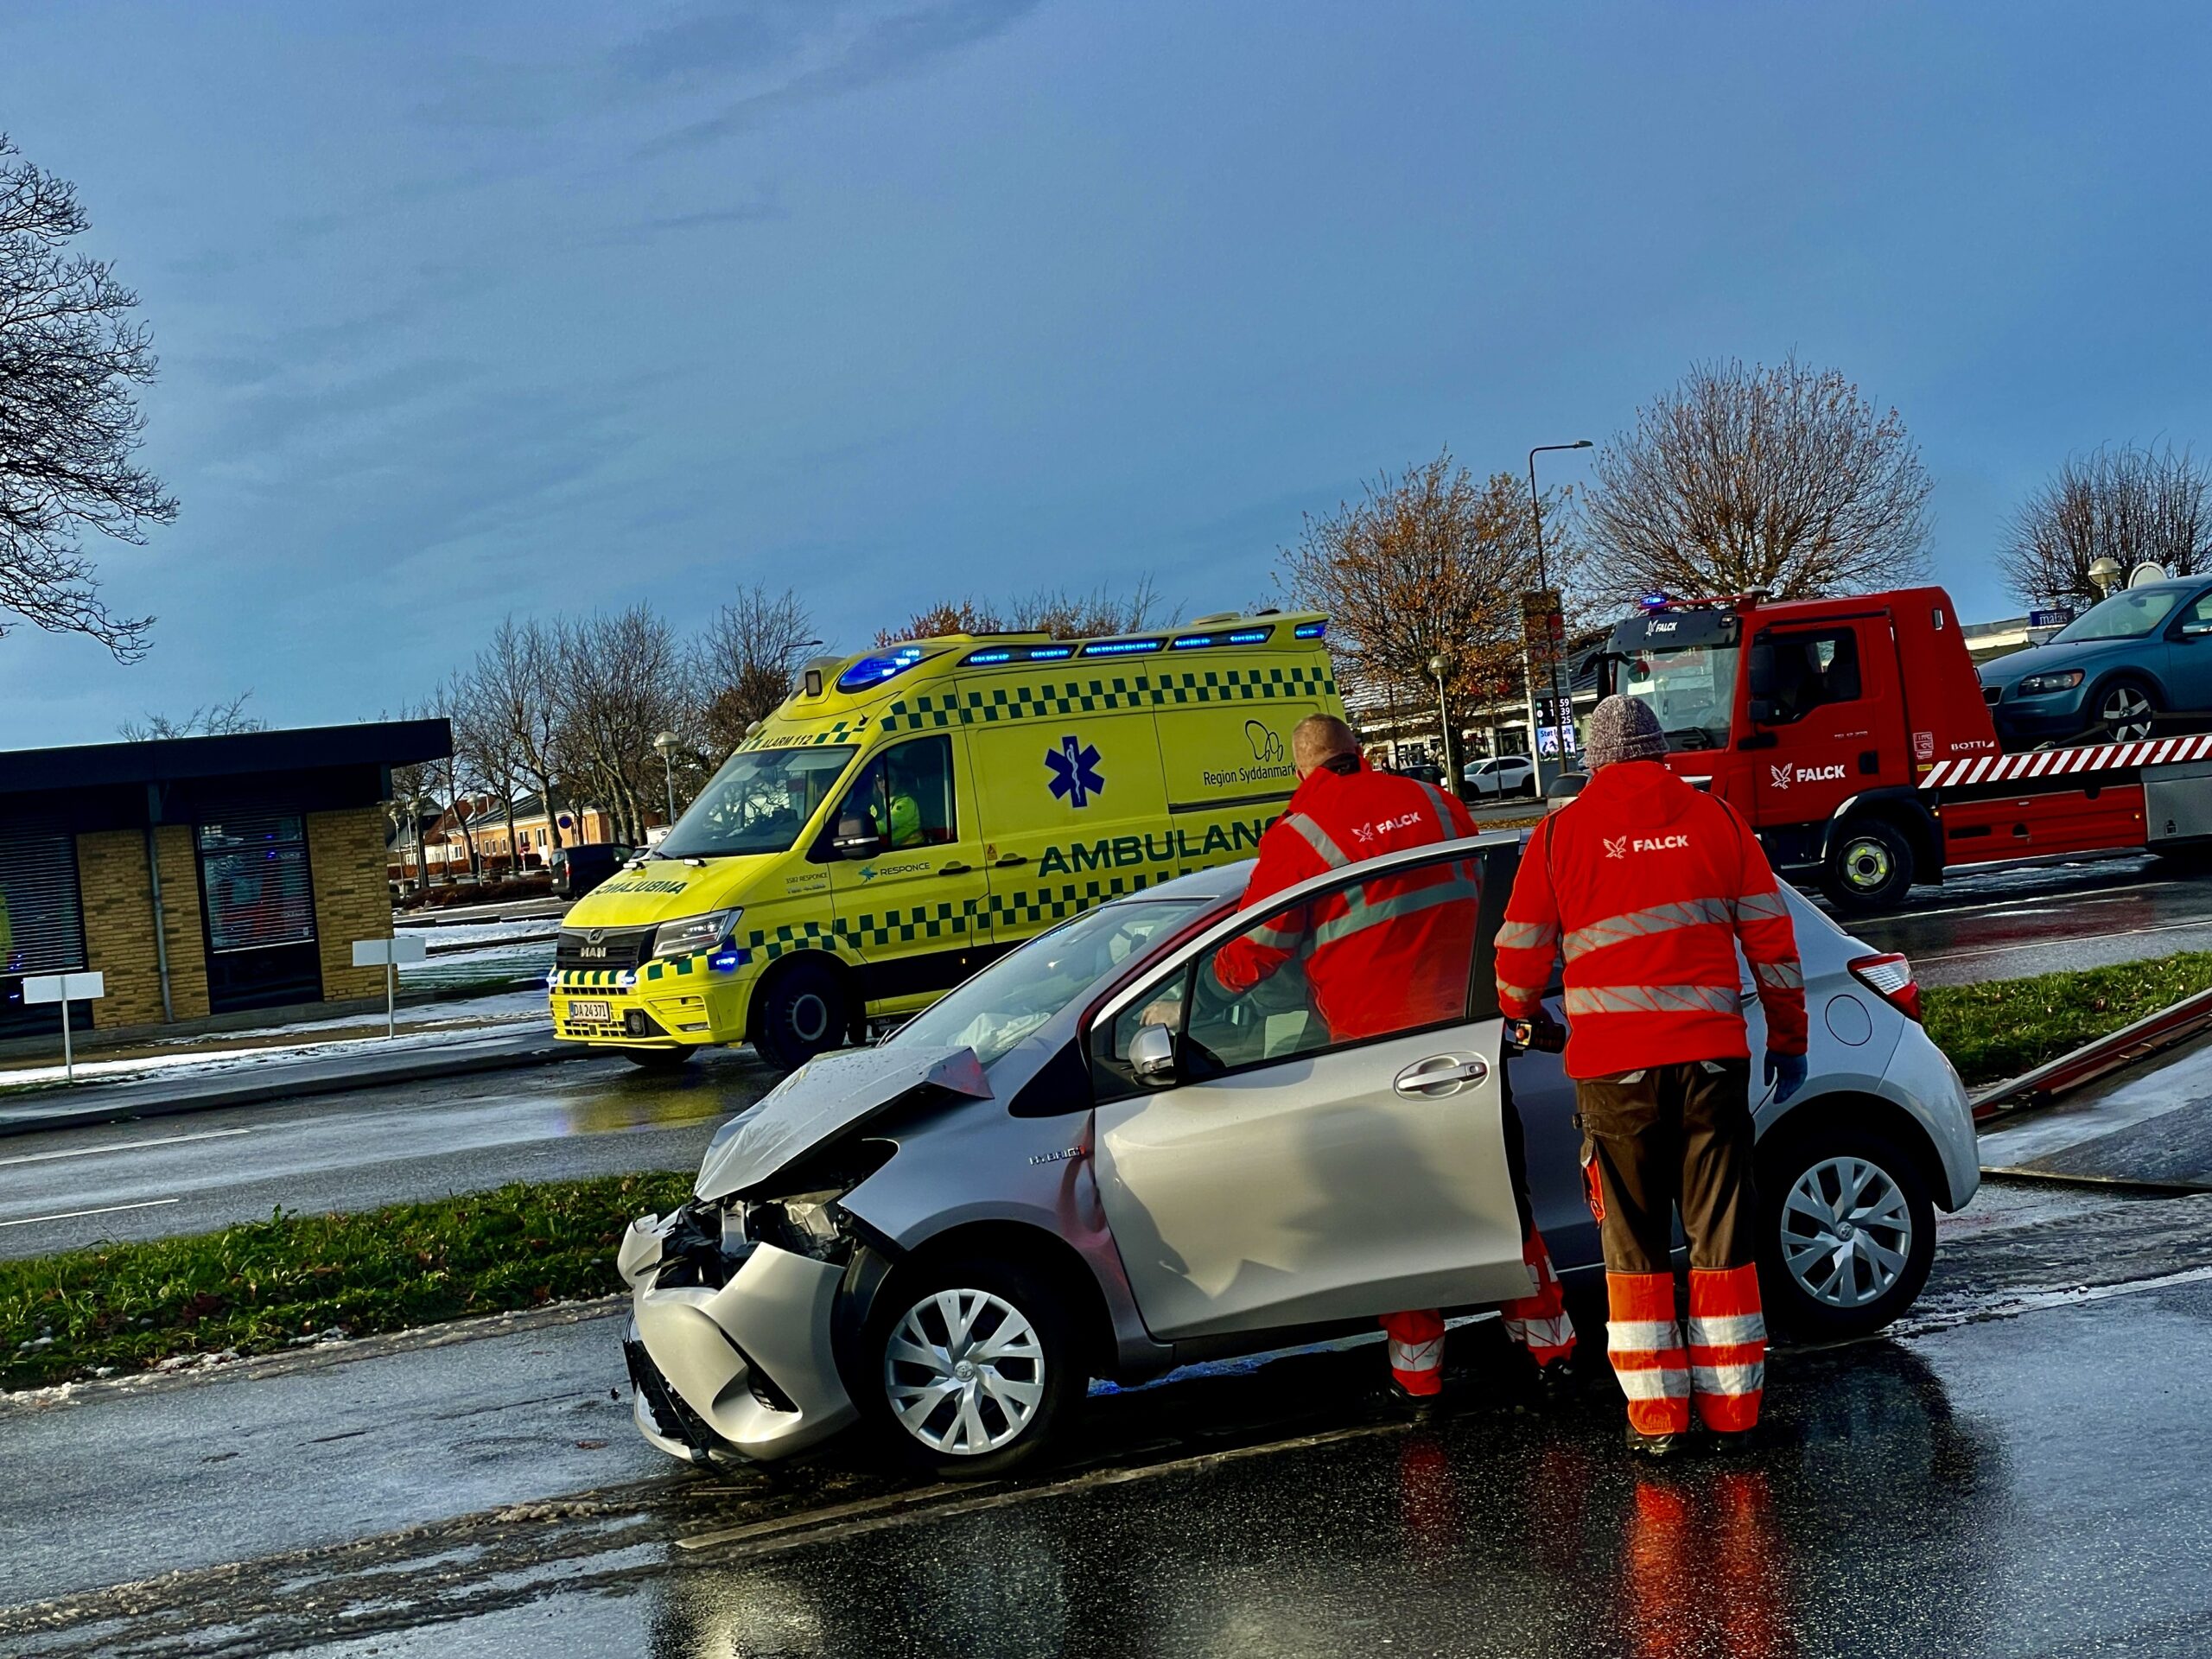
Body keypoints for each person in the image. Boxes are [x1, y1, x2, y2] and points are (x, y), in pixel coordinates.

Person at [1210, 713, 1578, 1403]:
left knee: (1405, 1219)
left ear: (1302, 772)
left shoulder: (1298, 835)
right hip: (1471, 1041)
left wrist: (1212, 986)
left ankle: (1419, 1380)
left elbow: (1257, 947)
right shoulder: (1438, 802)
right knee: (1503, 1202)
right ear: (1363, 755)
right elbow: (1491, 897)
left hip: (1376, 1057)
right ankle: (1549, 1349)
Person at [1494, 695, 1808, 1456]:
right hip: (1710, 1063)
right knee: (1721, 1234)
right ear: (1660, 751)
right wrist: (1789, 1037)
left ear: (1597, 760)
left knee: (1631, 1241)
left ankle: (1659, 1424)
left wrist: (1523, 1013)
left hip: (1614, 1075)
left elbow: (1518, 957)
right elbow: (1772, 941)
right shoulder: (1717, 821)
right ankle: (1735, 1417)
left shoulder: (1559, 835)